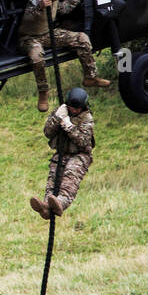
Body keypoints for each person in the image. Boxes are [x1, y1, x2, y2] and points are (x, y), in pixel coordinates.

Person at [17, 0, 111, 111]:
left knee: (82, 38)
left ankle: (90, 77)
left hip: (47, 34)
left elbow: (63, 8)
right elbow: (28, 15)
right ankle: (43, 91)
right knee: (37, 56)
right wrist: (40, 6)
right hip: (29, 37)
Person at [30, 87, 94, 219]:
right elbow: (48, 132)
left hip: (80, 155)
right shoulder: (61, 112)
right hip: (61, 153)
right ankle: (46, 207)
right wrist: (56, 118)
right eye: (71, 107)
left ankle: (60, 203)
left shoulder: (87, 119)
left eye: (77, 108)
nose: (74, 110)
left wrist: (68, 125)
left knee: (69, 179)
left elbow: (83, 141)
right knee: (53, 181)